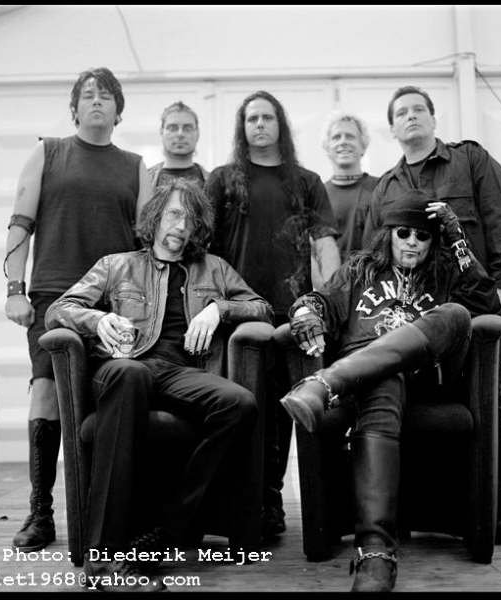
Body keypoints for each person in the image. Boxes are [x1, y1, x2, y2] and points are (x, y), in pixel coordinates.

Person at [45, 179, 273, 592]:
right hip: (123, 366)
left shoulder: (215, 268)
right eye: (174, 214)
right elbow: (60, 310)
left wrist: (219, 309)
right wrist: (98, 319)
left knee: (239, 403)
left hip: (180, 372)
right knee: (131, 373)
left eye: (191, 219)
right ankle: (104, 561)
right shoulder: (116, 265)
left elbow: (262, 308)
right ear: (155, 217)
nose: (182, 226)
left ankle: (166, 532)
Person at [280, 192, 501, 592]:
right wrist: (305, 312)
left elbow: (489, 305)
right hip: (371, 385)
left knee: (455, 314)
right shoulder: (359, 270)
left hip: (425, 378)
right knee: (383, 378)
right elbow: (319, 301)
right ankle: (376, 554)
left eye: (423, 236)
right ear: (389, 235)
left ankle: (323, 385)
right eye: (404, 233)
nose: (413, 242)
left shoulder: (445, 274)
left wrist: (457, 238)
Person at [362, 85, 501, 545]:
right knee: (417, 405)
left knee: (483, 404)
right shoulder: (386, 186)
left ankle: (492, 509)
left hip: (476, 310)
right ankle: (422, 511)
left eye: (419, 109)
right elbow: (372, 254)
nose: (411, 116)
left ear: (433, 119)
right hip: (414, 315)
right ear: (392, 128)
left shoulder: (470, 161)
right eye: (401, 112)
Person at [3, 67, 152, 553]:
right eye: (87, 95)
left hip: (114, 303)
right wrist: (14, 289)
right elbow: (20, 223)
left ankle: (105, 515)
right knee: (46, 394)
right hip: (52, 296)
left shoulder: (136, 166)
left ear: (118, 110)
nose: (96, 101)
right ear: (74, 108)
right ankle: (40, 513)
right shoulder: (48, 153)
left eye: (106, 96)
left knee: (109, 398)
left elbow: (147, 245)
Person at [205, 90, 340, 538]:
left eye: (267, 117)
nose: (260, 125)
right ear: (242, 128)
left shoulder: (306, 181)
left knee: (284, 412)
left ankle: (272, 501)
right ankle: (245, 503)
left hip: (291, 316)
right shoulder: (223, 180)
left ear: (280, 124)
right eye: (252, 119)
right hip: (237, 316)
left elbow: (325, 244)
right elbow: (203, 250)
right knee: (244, 409)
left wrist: (328, 303)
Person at [321, 110, 379, 260]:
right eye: (336, 137)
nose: (343, 141)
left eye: (350, 136)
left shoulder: (380, 188)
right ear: (327, 148)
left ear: (363, 146)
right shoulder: (318, 195)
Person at [148, 101, 208, 189]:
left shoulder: (213, 182)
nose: (180, 134)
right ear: (161, 132)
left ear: (197, 133)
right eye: (173, 128)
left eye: (187, 128)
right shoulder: (143, 181)